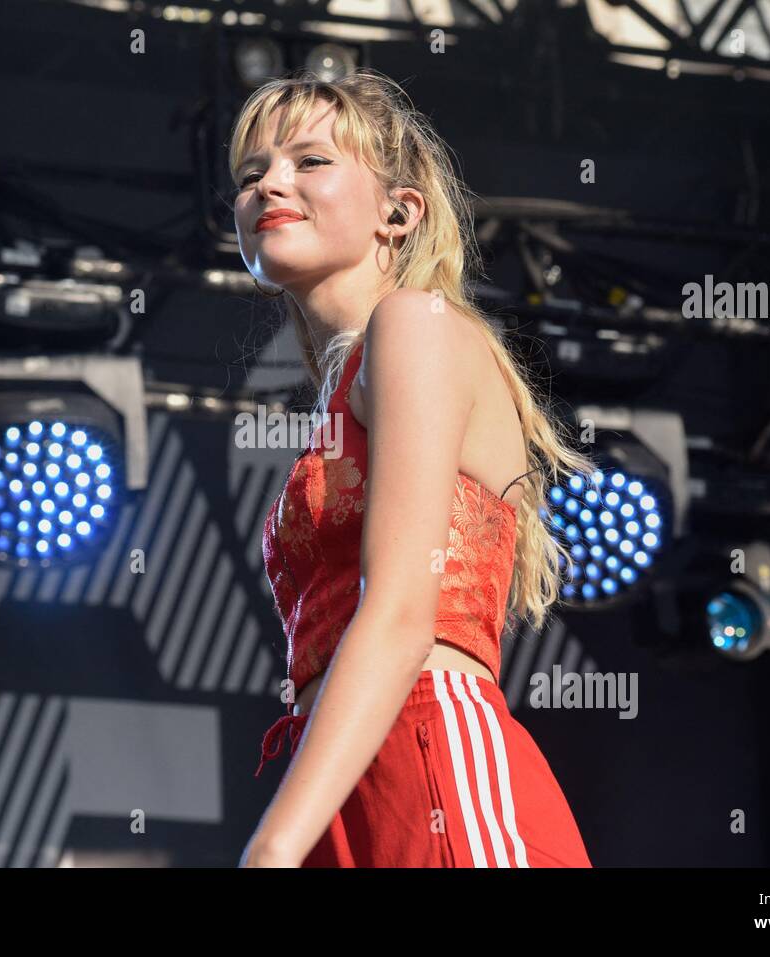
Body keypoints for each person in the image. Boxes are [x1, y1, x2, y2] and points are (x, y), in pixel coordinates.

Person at [231, 69, 594, 868]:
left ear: (398, 212)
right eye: (251, 174)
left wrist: (272, 847)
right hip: (343, 775)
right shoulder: (347, 383)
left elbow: (398, 616)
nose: (270, 185)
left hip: (432, 750)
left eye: (310, 162)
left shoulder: (415, 324)